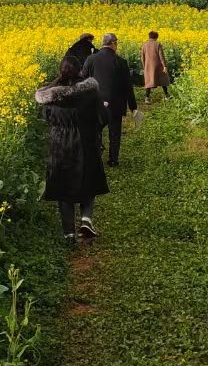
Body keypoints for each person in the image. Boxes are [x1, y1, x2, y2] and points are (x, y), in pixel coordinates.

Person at [35, 56, 108, 242]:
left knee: (62, 187)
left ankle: (69, 233)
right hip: (86, 141)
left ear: (61, 71)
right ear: (80, 70)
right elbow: (103, 117)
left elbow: (46, 118)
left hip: (60, 144)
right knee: (88, 180)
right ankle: (85, 219)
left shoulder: (50, 96)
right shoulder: (90, 92)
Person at [81, 33, 137, 166]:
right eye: (116, 43)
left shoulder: (91, 59)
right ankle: (113, 160)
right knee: (115, 132)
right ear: (113, 43)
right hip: (115, 103)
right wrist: (133, 107)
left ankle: (97, 152)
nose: (117, 46)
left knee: (96, 129)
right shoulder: (121, 62)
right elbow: (127, 86)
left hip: (96, 103)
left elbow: (83, 80)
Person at [140, 30, 170, 104]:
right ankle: (167, 95)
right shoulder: (158, 44)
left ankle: (147, 98)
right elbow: (161, 56)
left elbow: (142, 57)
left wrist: (145, 66)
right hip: (158, 66)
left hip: (148, 65)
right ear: (156, 37)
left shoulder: (144, 45)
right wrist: (164, 66)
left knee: (149, 81)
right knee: (163, 79)